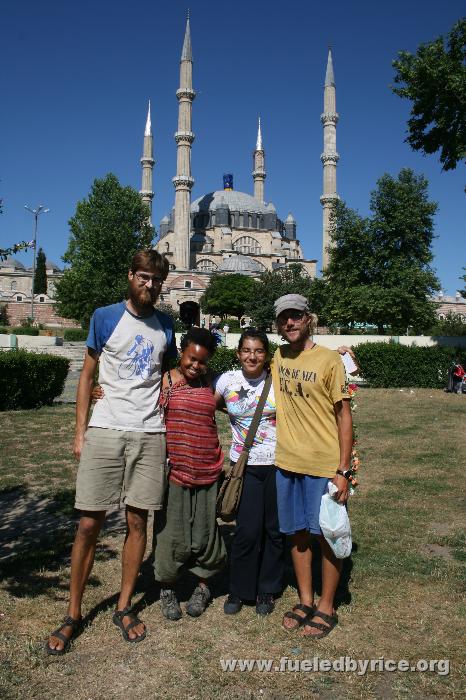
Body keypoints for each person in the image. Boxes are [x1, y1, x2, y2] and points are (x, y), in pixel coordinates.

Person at [45, 250, 176, 654]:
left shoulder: (166, 324)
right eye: (143, 276)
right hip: (105, 428)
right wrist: (80, 431)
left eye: (156, 279)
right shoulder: (104, 316)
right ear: (130, 275)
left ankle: (123, 607)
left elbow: (166, 368)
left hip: (149, 432)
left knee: (138, 523)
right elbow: (86, 376)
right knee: (89, 524)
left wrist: (170, 379)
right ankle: (73, 613)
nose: (149, 285)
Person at [271, 293, 353, 639]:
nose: (289, 323)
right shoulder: (277, 355)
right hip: (286, 461)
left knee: (328, 537)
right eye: (283, 318)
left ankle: (327, 604)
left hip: (323, 465)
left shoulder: (329, 361)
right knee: (297, 533)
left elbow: (343, 415)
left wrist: (343, 469)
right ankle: (305, 599)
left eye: (295, 316)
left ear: (308, 319)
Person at [153, 327, 226, 620]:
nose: (196, 366)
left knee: (206, 533)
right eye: (191, 359)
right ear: (181, 353)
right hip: (176, 471)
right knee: (171, 533)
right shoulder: (166, 381)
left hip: (209, 468)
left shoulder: (212, 383)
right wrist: (101, 392)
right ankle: (167, 589)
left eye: (203, 361)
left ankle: (203, 586)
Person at [215, 329, 284, 616]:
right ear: (238, 353)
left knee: (274, 532)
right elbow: (210, 403)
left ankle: (267, 589)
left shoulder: (277, 380)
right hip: (246, 467)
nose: (252, 356)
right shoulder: (227, 380)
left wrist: (342, 354)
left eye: (258, 351)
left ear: (266, 355)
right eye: (246, 350)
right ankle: (240, 589)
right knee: (246, 531)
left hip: (279, 464)